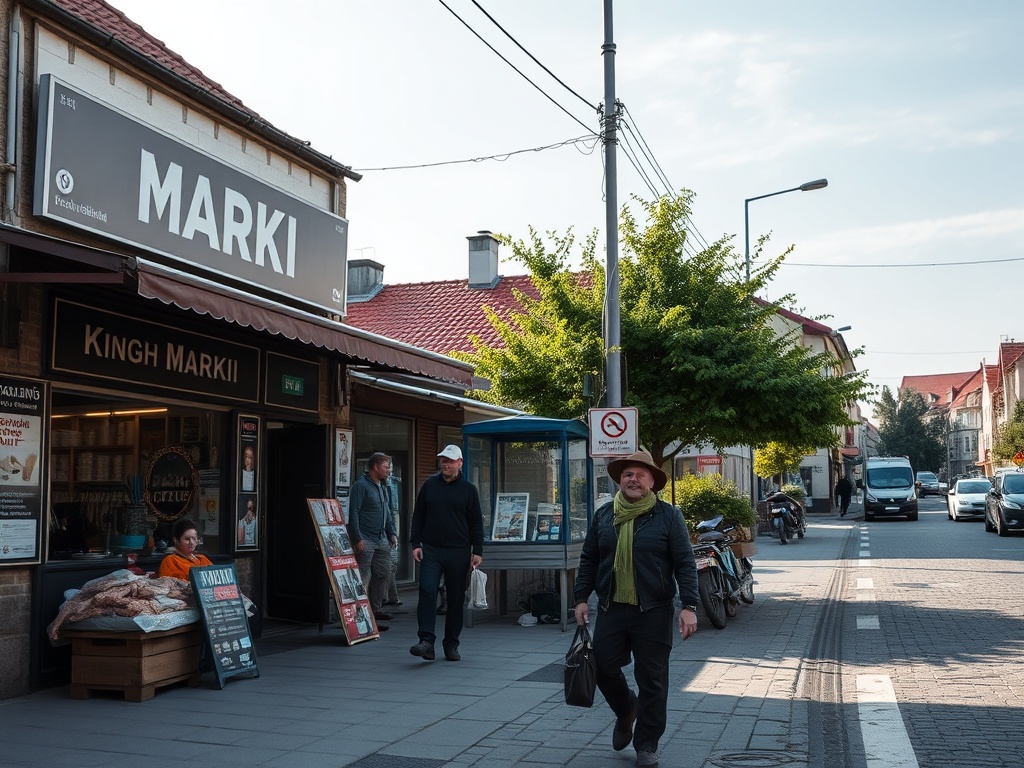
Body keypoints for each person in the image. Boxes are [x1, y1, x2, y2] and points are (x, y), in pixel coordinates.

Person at [573, 450, 699, 768]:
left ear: (652, 481)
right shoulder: (604, 515)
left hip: (654, 610)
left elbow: (685, 562)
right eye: (628, 474)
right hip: (612, 606)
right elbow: (589, 558)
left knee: (652, 679)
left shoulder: (669, 516)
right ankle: (627, 708)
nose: (633, 479)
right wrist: (580, 597)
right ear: (620, 480)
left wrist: (689, 605)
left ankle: (647, 744)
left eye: (641, 474)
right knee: (601, 665)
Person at [408, 444, 483, 662]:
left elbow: (476, 522)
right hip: (431, 549)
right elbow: (418, 516)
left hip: (459, 551)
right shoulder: (430, 485)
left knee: (456, 597)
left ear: (460, 463)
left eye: (450, 461)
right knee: (427, 590)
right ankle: (426, 641)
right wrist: (415, 543)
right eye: (443, 460)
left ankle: (451, 644)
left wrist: (477, 551)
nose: (446, 464)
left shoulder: (468, 490)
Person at [348, 452, 398, 624]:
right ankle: (356, 615)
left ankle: (375, 609)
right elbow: (353, 512)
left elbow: (388, 512)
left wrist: (392, 533)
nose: (389, 470)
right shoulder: (360, 486)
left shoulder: (383, 486)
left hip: (381, 538)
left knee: (383, 572)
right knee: (362, 576)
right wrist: (357, 538)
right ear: (375, 467)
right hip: (365, 537)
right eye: (386, 467)